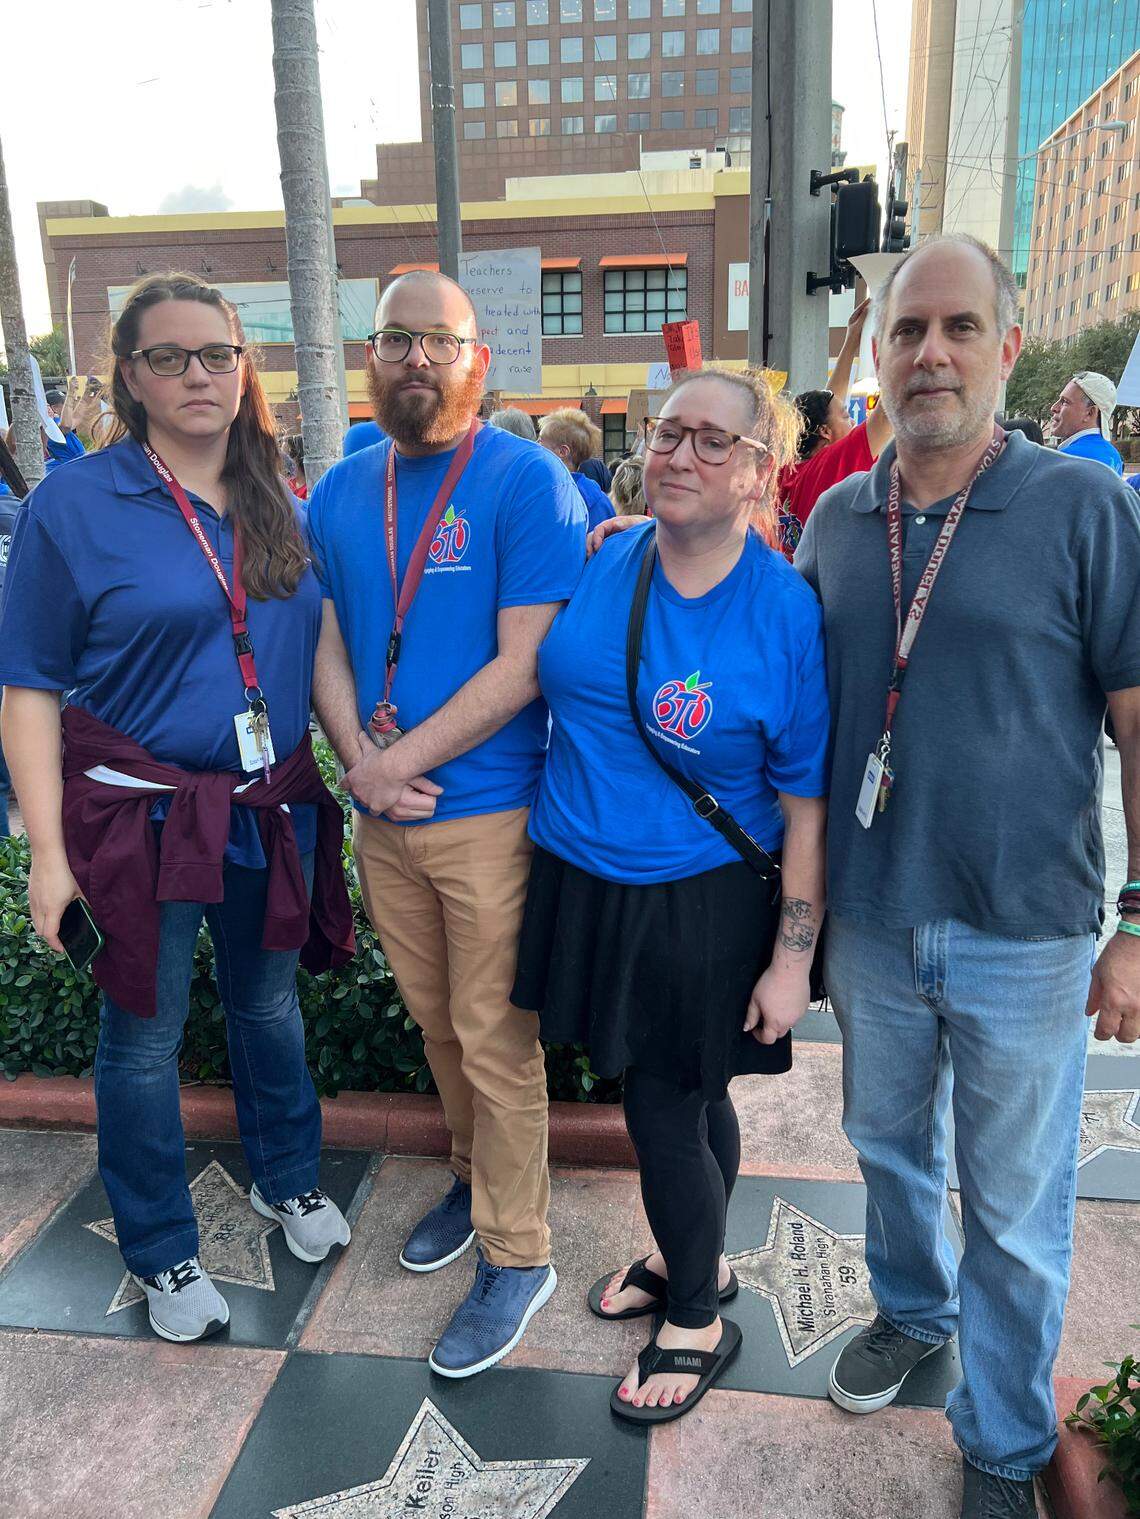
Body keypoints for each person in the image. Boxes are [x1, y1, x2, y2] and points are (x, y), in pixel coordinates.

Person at [793, 235, 1140, 1518]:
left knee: (1014, 1201)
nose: (929, 352)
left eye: (957, 327)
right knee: (885, 1147)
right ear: (878, 355)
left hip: (1027, 928)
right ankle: (911, 1308)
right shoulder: (834, 518)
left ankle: (1000, 1443)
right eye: (907, 330)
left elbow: (1138, 718)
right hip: (874, 921)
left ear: (1006, 343)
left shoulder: (1083, 506)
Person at [0, 272, 357, 1345]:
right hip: (141, 819)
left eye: (218, 354)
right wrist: (46, 853)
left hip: (268, 806)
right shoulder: (76, 503)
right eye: (170, 357)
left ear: (245, 369)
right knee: (143, 1039)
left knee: (267, 1006)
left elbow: (315, 642)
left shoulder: (276, 494)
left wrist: (365, 767)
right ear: (131, 377)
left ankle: (286, 1176)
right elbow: (26, 688)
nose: (198, 375)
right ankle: (159, 1245)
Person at [515, 367, 828, 1425]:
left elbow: (807, 808)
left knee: (658, 1107)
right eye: (667, 433)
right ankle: (695, 1256)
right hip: (585, 878)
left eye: (712, 440)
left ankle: (695, 1312)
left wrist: (793, 958)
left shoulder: (781, 609)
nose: (681, 455)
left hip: (696, 902)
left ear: (757, 469)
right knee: (697, 1094)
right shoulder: (609, 553)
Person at [308, 269, 586, 1379]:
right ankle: (476, 1182)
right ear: (368, 356)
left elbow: (525, 663)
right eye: (395, 338)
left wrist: (392, 767)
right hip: (385, 816)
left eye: (439, 339)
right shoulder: (339, 488)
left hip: (488, 817)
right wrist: (359, 766)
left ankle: (521, 1255)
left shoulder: (527, 483)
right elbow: (325, 640)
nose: (415, 357)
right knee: (436, 1021)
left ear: (479, 360)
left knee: (495, 1036)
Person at [777, 298, 894, 557]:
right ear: (825, 432)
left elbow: (831, 401)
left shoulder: (787, 473)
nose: (853, 422)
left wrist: (852, 336)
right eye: (846, 417)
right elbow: (887, 416)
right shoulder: (829, 466)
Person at [538, 408, 616, 531]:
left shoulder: (551, 497)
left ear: (562, 452)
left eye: (541, 442)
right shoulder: (600, 499)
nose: (536, 446)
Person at [1050, 371, 1124, 473]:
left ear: (1090, 412)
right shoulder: (1113, 455)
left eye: (1065, 402)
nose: (1053, 408)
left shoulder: (1067, 458)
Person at [283, 433, 307, 499]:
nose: (283, 462)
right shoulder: (288, 483)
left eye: (286, 457)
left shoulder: (309, 488)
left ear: (297, 458)